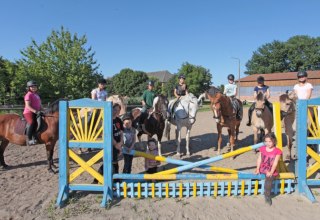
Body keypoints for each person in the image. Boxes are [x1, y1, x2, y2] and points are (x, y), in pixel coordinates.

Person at [93, 103, 123, 184]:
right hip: (110, 145)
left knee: (114, 162)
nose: (116, 111)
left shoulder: (119, 120)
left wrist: (121, 143)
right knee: (109, 162)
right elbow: (109, 134)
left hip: (117, 144)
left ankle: (115, 179)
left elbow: (121, 132)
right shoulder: (108, 120)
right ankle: (98, 179)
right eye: (115, 109)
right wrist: (116, 144)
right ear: (112, 110)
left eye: (118, 110)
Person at [255, 133, 282, 205]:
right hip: (263, 167)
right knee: (255, 176)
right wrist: (257, 168)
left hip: (271, 169)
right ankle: (256, 187)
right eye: (266, 141)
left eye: (270, 141)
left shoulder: (277, 151)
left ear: (274, 141)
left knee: (269, 178)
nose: (268, 143)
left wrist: (271, 172)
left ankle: (267, 195)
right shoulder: (262, 149)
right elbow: (259, 159)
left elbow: (275, 163)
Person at [23, 80, 42, 146]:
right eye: (32, 87)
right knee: (31, 122)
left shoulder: (37, 95)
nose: (34, 88)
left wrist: (43, 110)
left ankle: (36, 137)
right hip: (29, 112)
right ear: (29, 88)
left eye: (35, 86)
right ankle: (28, 139)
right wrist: (36, 111)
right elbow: (28, 106)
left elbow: (39, 105)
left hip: (37, 112)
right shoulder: (28, 95)